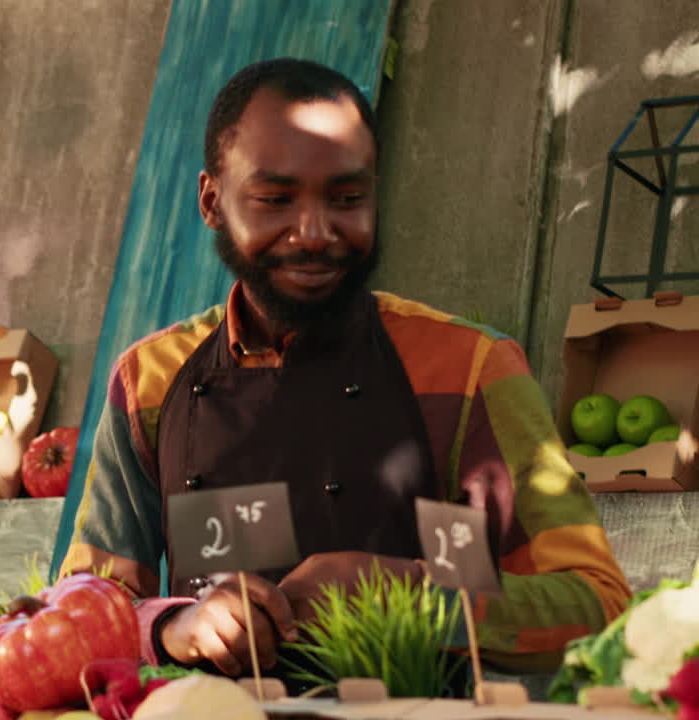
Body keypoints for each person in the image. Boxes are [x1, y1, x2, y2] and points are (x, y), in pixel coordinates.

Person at [58, 57, 630, 681]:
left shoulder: (469, 369)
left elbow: (597, 605)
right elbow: (81, 611)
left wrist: (407, 590)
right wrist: (175, 626)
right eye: (275, 199)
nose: (314, 232)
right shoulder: (149, 379)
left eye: (347, 199)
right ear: (212, 201)